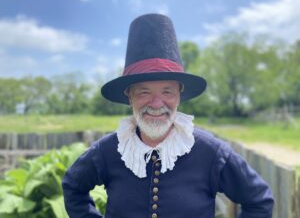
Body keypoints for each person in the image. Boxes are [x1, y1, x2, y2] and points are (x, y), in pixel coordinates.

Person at [62, 13, 274, 218]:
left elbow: (259, 201)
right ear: (130, 97)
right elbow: (73, 186)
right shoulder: (108, 150)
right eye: (144, 92)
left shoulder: (211, 152)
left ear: (179, 96)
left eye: (167, 91)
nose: (156, 103)